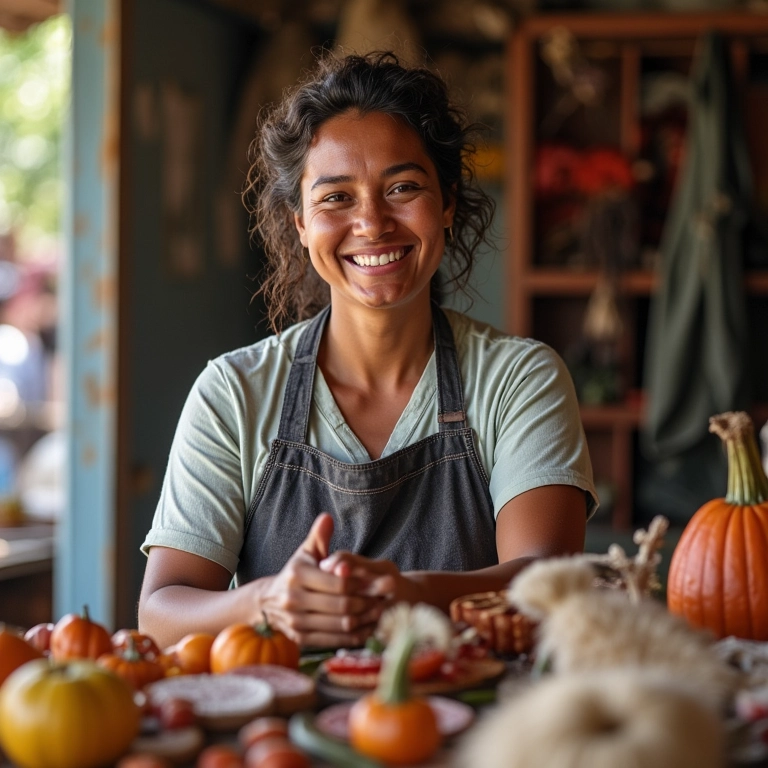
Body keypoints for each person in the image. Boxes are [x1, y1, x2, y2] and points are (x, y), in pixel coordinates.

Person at [138, 52, 598, 651]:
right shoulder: (234, 392)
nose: (372, 223)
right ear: (299, 222)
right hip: (282, 735)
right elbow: (160, 611)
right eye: (336, 198)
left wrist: (407, 596)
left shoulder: (519, 378)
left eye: (403, 187)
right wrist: (266, 602)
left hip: (476, 726)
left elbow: (547, 587)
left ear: (448, 203)